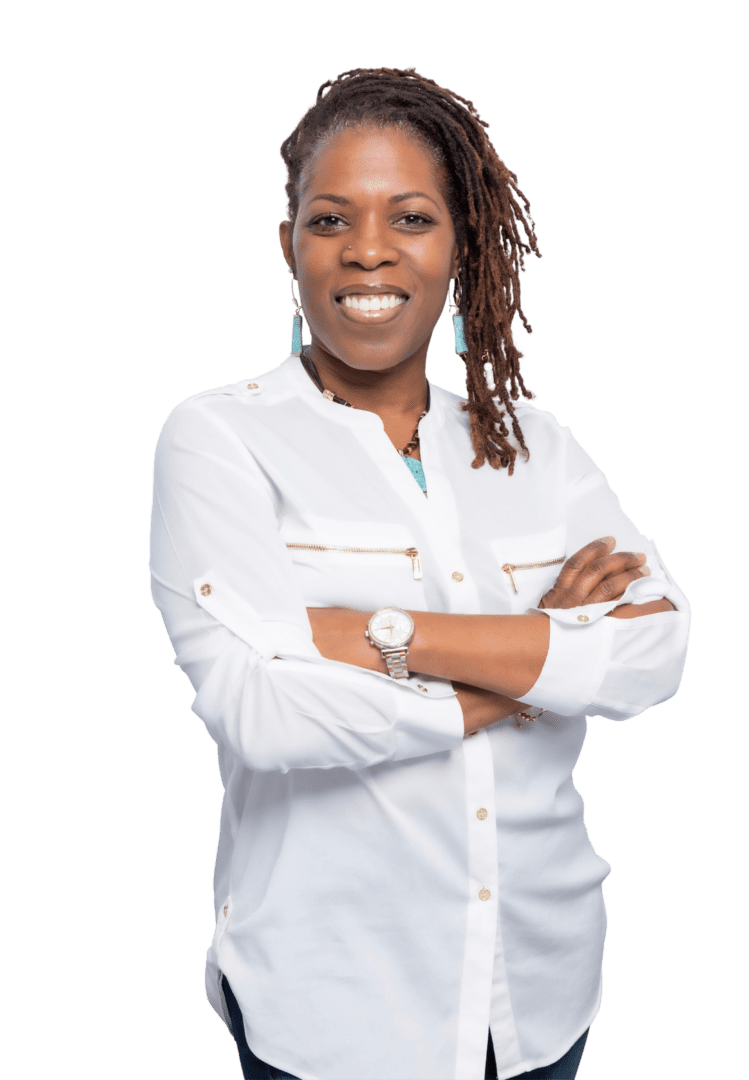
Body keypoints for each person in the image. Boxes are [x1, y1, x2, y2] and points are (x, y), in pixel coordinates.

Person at [149, 66, 690, 1080]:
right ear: (286, 244)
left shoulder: (536, 447)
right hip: (336, 1006)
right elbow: (261, 715)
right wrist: (527, 669)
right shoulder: (218, 440)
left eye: (409, 217)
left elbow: (654, 646)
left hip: (538, 983)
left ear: (458, 245)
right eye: (327, 220)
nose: (366, 251)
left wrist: (376, 633)